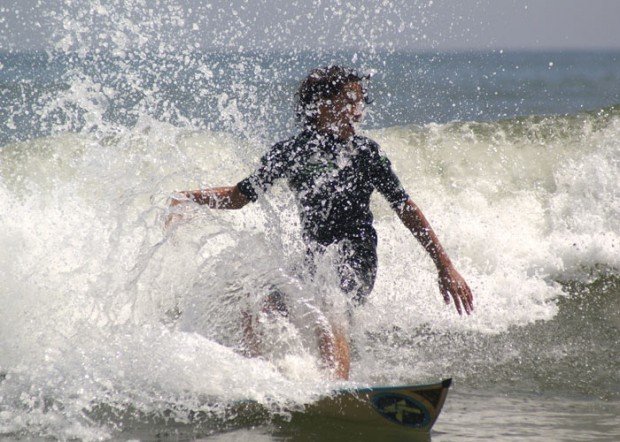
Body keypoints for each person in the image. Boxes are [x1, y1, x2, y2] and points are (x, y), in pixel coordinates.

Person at [169, 66, 473, 380]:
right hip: (314, 260)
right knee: (259, 297)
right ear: (323, 104)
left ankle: (334, 385)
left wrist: (444, 265)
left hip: (357, 259)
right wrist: (189, 197)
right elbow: (239, 196)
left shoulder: (365, 153)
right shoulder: (291, 152)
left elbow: (405, 207)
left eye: (361, 102)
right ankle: (261, 377)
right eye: (350, 100)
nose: (358, 110)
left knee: (329, 300)